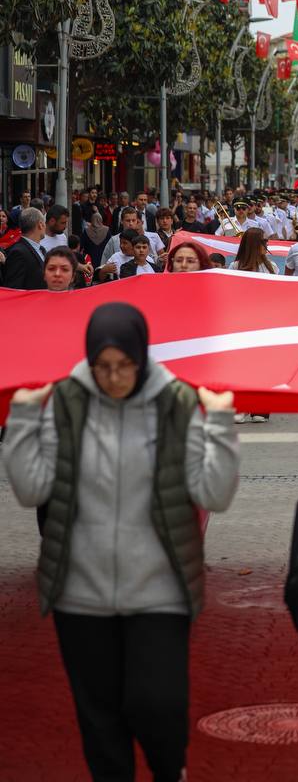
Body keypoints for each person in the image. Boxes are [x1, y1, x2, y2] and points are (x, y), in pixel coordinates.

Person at [3, 302, 239, 782]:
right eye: (102, 367)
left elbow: (214, 492)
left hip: (158, 591)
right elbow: (31, 489)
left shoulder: (175, 401)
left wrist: (220, 424)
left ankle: (169, 769)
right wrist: (23, 420)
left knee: (158, 706)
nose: (114, 377)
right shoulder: (67, 402)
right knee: (99, 716)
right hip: (80, 595)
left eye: (124, 365)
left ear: (142, 356)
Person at [2, 208, 47, 290]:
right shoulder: (18, 253)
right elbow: (13, 289)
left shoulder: (42, 249)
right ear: (40, 224)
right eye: (44, 223)